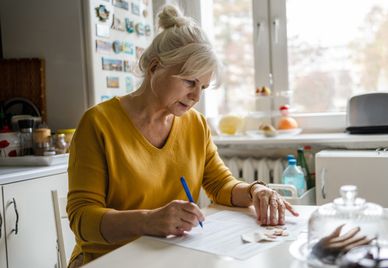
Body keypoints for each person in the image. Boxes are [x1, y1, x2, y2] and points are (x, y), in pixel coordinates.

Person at [66, 4, 298, 267]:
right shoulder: (98, 123)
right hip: (108, 259)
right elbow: (82, 219)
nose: (196, 96)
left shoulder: (195, 124)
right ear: (155, 67)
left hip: (167, 255)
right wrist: (148, 220)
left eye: (203, 87)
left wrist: (256, 190)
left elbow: (221, 185)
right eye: (190, 81)